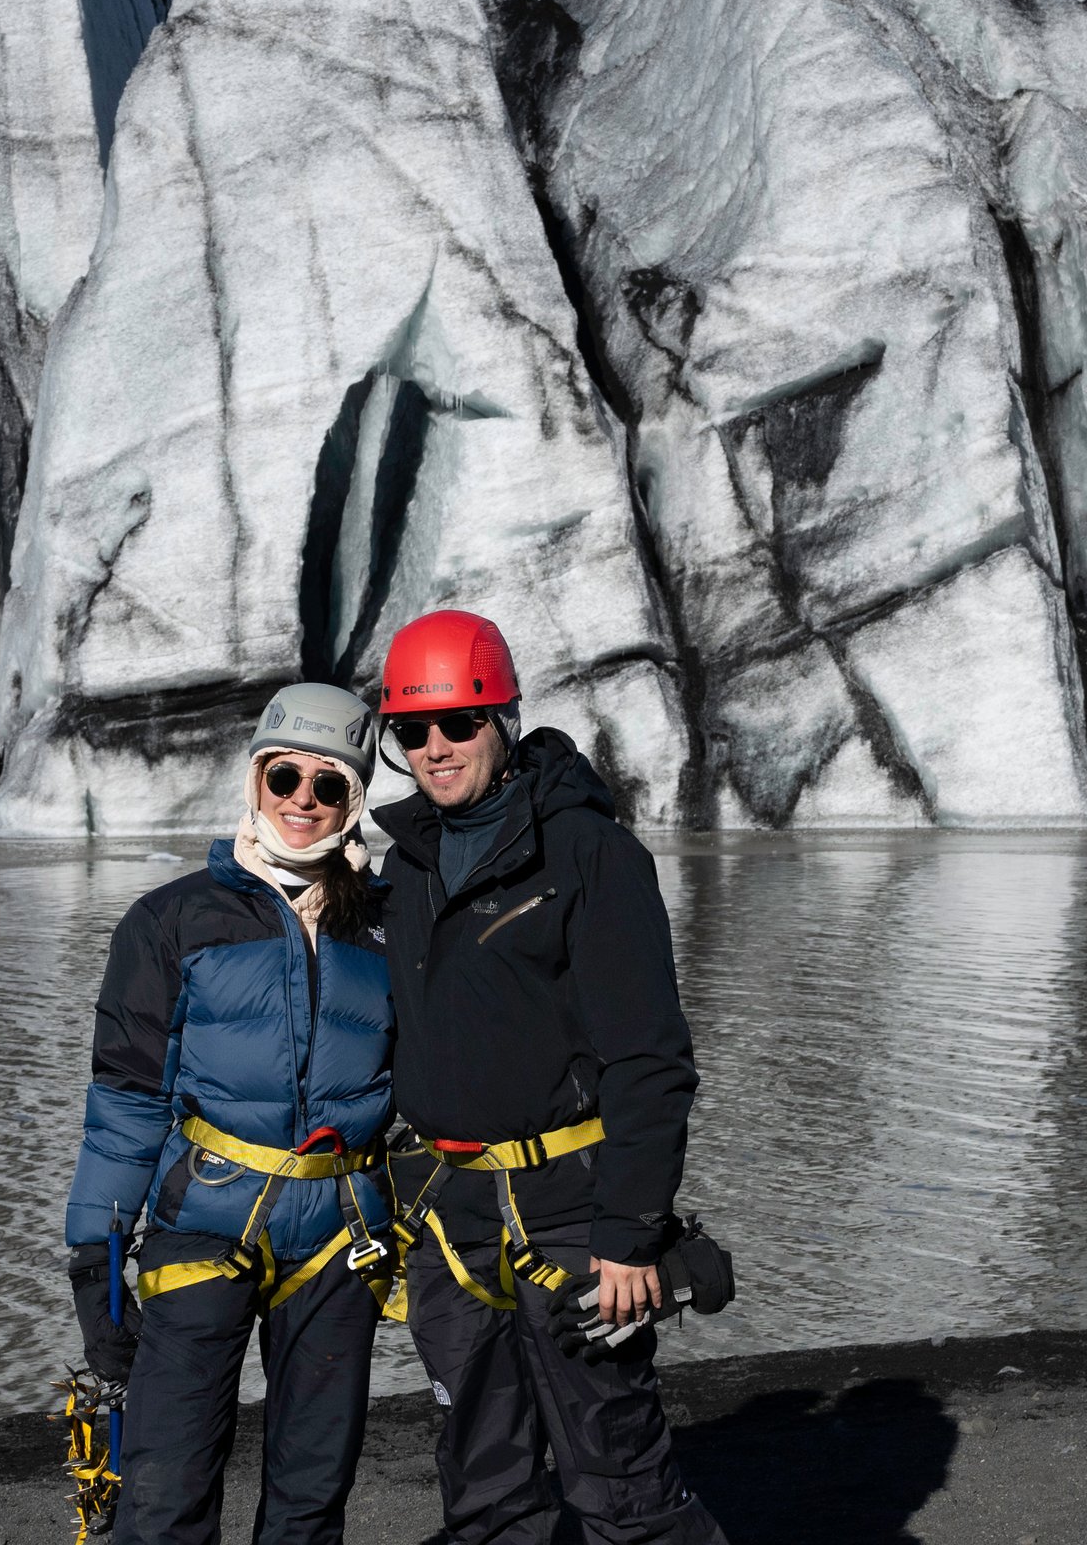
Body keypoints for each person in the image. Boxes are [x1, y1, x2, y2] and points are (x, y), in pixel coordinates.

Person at [371, 609, 731, 1545]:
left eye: (459, 722)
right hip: (448, 1215)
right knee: (482, 1473)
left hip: (568, 1212)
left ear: (504, 717)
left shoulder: (586, 855)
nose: (436, 748)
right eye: (412, 731)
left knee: (618, 1471)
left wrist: (630, 1232)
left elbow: (651, 1059)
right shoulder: (403, 864)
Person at [65, 683, 395, 1545]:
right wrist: (93, 1257)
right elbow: (126, 1098)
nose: (302, 802)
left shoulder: (391, 928)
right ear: (256, 778)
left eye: (331, 787)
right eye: (285, 776)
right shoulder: (172, 920)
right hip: (204, 1222)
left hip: (340, 1235)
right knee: (166, 1490)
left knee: (311, 1494)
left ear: (355, 801)